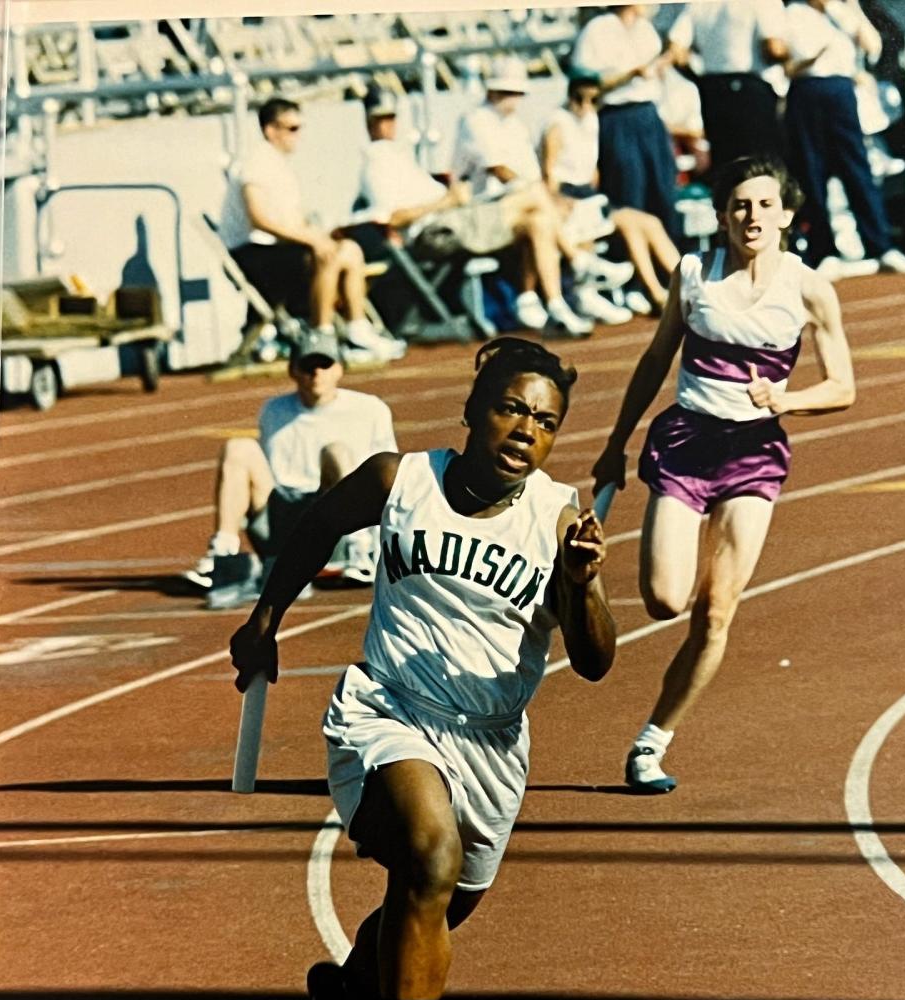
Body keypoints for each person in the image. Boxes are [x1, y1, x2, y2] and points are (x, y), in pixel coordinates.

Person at [229, 337, 616, 1000]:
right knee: (430, 856)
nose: (524, 430)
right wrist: (264, 622)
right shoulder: (399, 480)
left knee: (436, 905)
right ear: (473, 412)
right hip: (388, 709)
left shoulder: (558, 517)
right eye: (511, 408)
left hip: (490, 743)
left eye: (544, 422)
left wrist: (581, 586)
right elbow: (314, 525)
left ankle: (341, 996)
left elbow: (594, 661)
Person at [592, 154, 855, 793]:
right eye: (739, 205)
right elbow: (656, 361)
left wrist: (787, 401)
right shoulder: (693, 275)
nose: (751, 216)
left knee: (715, 613)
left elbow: (843, 386)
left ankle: (653, 742)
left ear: (787, 215)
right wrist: (615, 444)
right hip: (685, 442)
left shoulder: (809, 287)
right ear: (721, 215)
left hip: (754, 452)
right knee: (664, 598)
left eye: (765, 204)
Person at [184, 330, 397, 606]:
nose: (316, 373)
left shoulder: (370, 409)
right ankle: (223, 555)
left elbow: (387, 476)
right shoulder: (273, 409)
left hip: (333, 520)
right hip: (282, 519)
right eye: (308, 366)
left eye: (325, 364)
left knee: (335, 451)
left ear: (340, 369)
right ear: (293, 371)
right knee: (238, 447)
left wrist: (383, 539)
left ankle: (358, 552)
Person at [451, 57, 631, 334]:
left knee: (546, 219)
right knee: (542, 203)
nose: (515, 99)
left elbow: (531, 175)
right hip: (481, 214)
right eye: (509, 92)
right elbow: (499, 170)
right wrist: (545, 197)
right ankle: (579, 264)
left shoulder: (515, 125)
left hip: (520, 212)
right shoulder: (475, 120)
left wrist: (553, 200)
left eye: (517, 93)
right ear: (493, 91)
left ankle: (551, 302)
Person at [218, 96, 405, 362]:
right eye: (292, 129)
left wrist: (319, 236)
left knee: (349, 249)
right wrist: (314, 241)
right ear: (271, 130)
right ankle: (322, 333)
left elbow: (293, 220)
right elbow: (259, 219)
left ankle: (357, 330)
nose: (299, 136)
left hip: (274, 248)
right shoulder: (256, 162)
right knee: (325, 254)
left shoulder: (277, 163)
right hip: (252, 252)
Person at [783, 0, 905, 279]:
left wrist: (851, 9)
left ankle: (881, 247)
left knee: (858, 170)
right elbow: (793, 63)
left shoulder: (843, 10)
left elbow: (872, 45)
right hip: (808, 89)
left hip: (841, 91)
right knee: (812, 174)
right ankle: (825, 252)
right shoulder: (793, 13)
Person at [541, 69, 680, 316]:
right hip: (568, 196)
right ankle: (656, 293)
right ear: (569, 97)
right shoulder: (557, 122)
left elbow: (592, 170)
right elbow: (550, 174)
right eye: (579, 99)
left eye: (593, 100)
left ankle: (688, 287)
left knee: (649, 222)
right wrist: (560, 205)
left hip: (589, 196)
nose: (585, 106)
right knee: (630, 226)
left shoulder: (592, 121)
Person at [570, 6, 679, 238]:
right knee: (629, 192)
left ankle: (671, 262)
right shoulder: (597, 30)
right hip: (617, 117)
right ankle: (635, 264)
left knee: (663, 190)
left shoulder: (646, 30)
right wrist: (630, 74)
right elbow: (586, 83)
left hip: (649, 114)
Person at [667, 0, 789, 174]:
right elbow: (774, 48)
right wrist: (791, 59)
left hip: (713, 90)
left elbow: (675, 50)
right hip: (751, 89)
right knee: (762, 167)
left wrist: (698, 80)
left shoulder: (699, 4)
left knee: (726, 168)